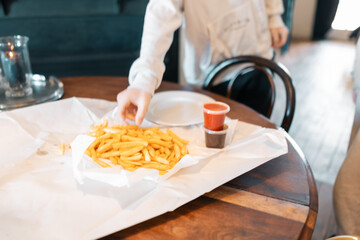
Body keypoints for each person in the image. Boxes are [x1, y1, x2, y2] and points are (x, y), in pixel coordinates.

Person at [117, 0, 289, 126]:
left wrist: (274, 17)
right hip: (212, 73)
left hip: (258, 56)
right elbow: (161, 13)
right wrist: (144, 79)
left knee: (253, 137)